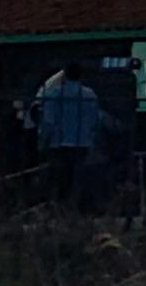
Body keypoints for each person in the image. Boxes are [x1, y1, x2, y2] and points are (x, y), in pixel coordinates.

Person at [35, 61, 101, 213]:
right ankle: (76, 210)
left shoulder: (53, 95)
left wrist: (42, 142)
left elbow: (48, 122)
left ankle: (59, 210)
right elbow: (94, 120)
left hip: (58, 144)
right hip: (81, 143)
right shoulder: (89, 95)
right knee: (78, 180)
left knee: (59, 181)